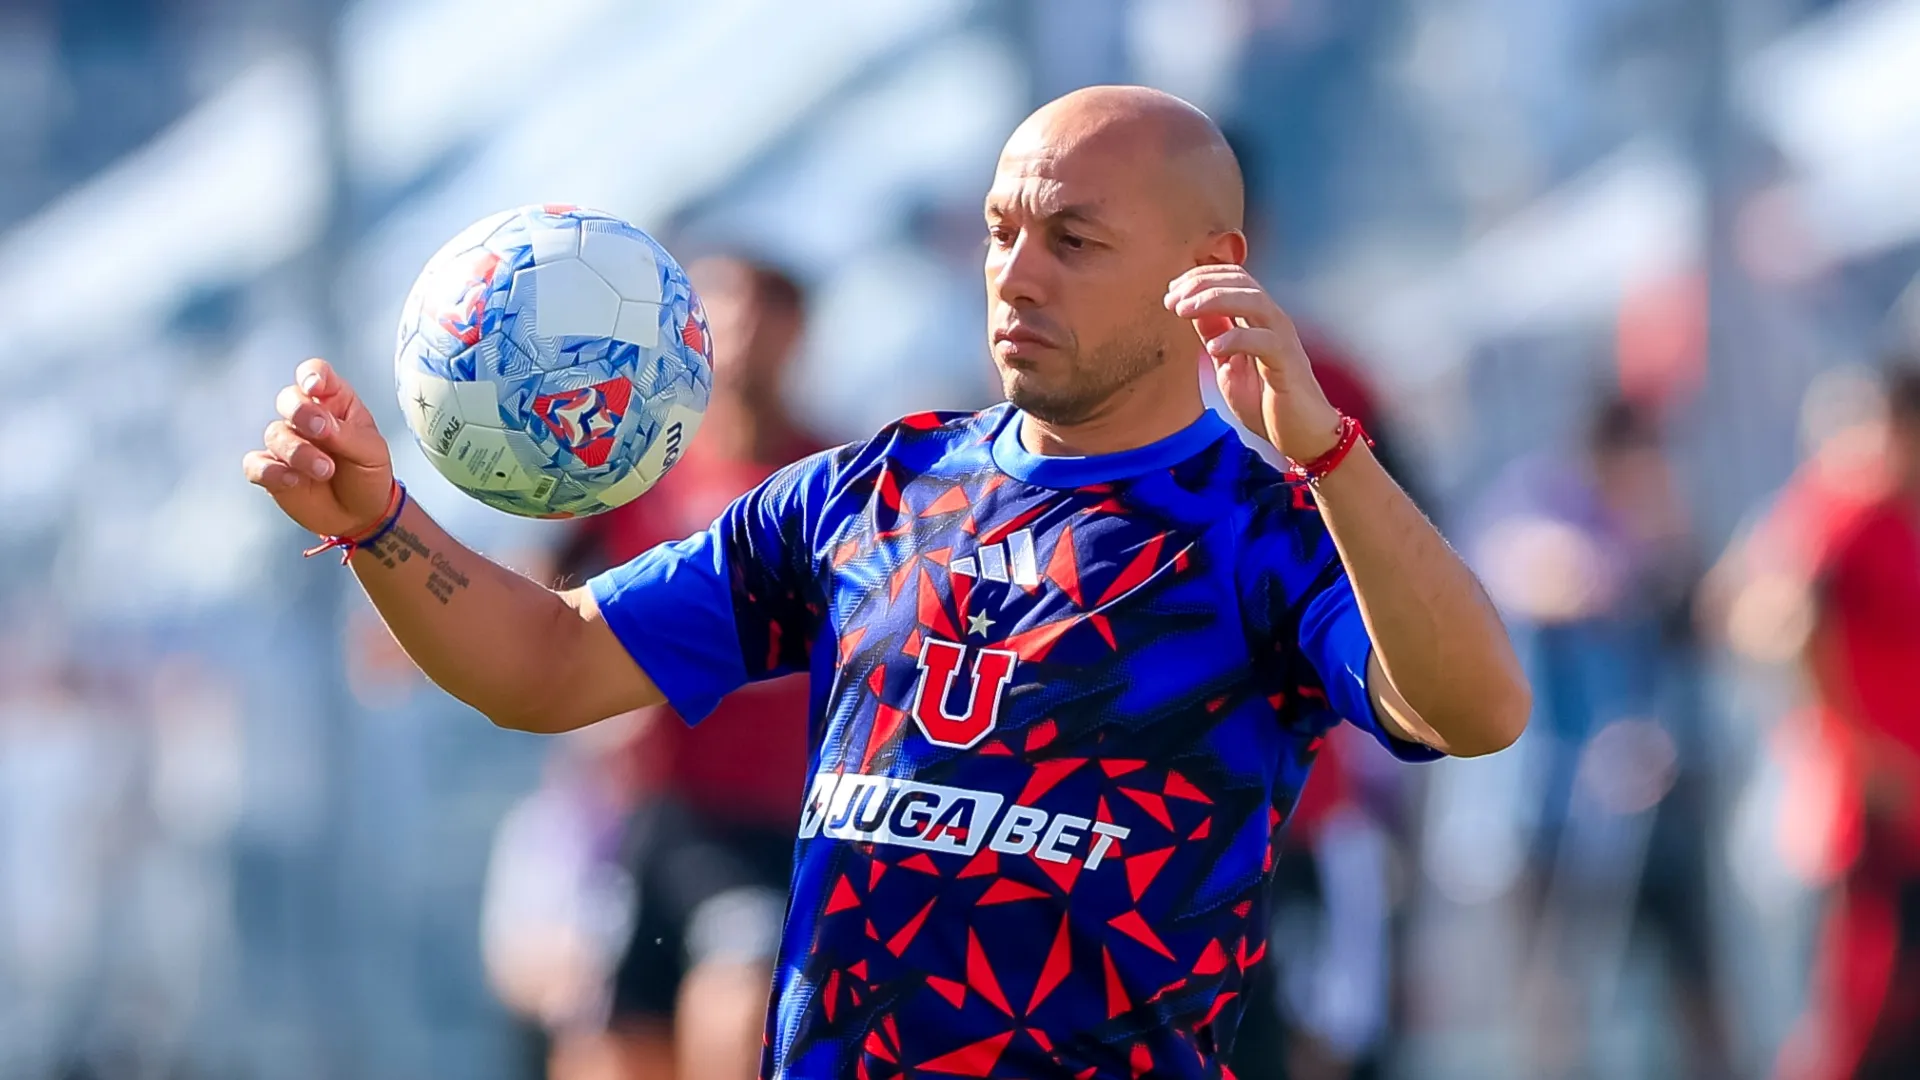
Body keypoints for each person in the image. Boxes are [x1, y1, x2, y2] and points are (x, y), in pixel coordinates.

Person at [243, 86, 1529, 1079]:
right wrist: (383, 524)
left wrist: (1327, 454)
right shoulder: (870, 490)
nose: (1015, 274)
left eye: (1073, 240)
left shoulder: (1262, 528)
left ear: (1211, 264)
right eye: (998, 231)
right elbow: (547, 665)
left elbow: (1479, 714)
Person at [561, 255, 822, 1080]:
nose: (743, 334)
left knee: (739, 1009)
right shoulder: (636, 471)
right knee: (606, 1046)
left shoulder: (832, 484)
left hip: (776, 823)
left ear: (796, 332)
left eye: (764, 311)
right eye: (725, 311)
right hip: (652, 817)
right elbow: (542, 601)